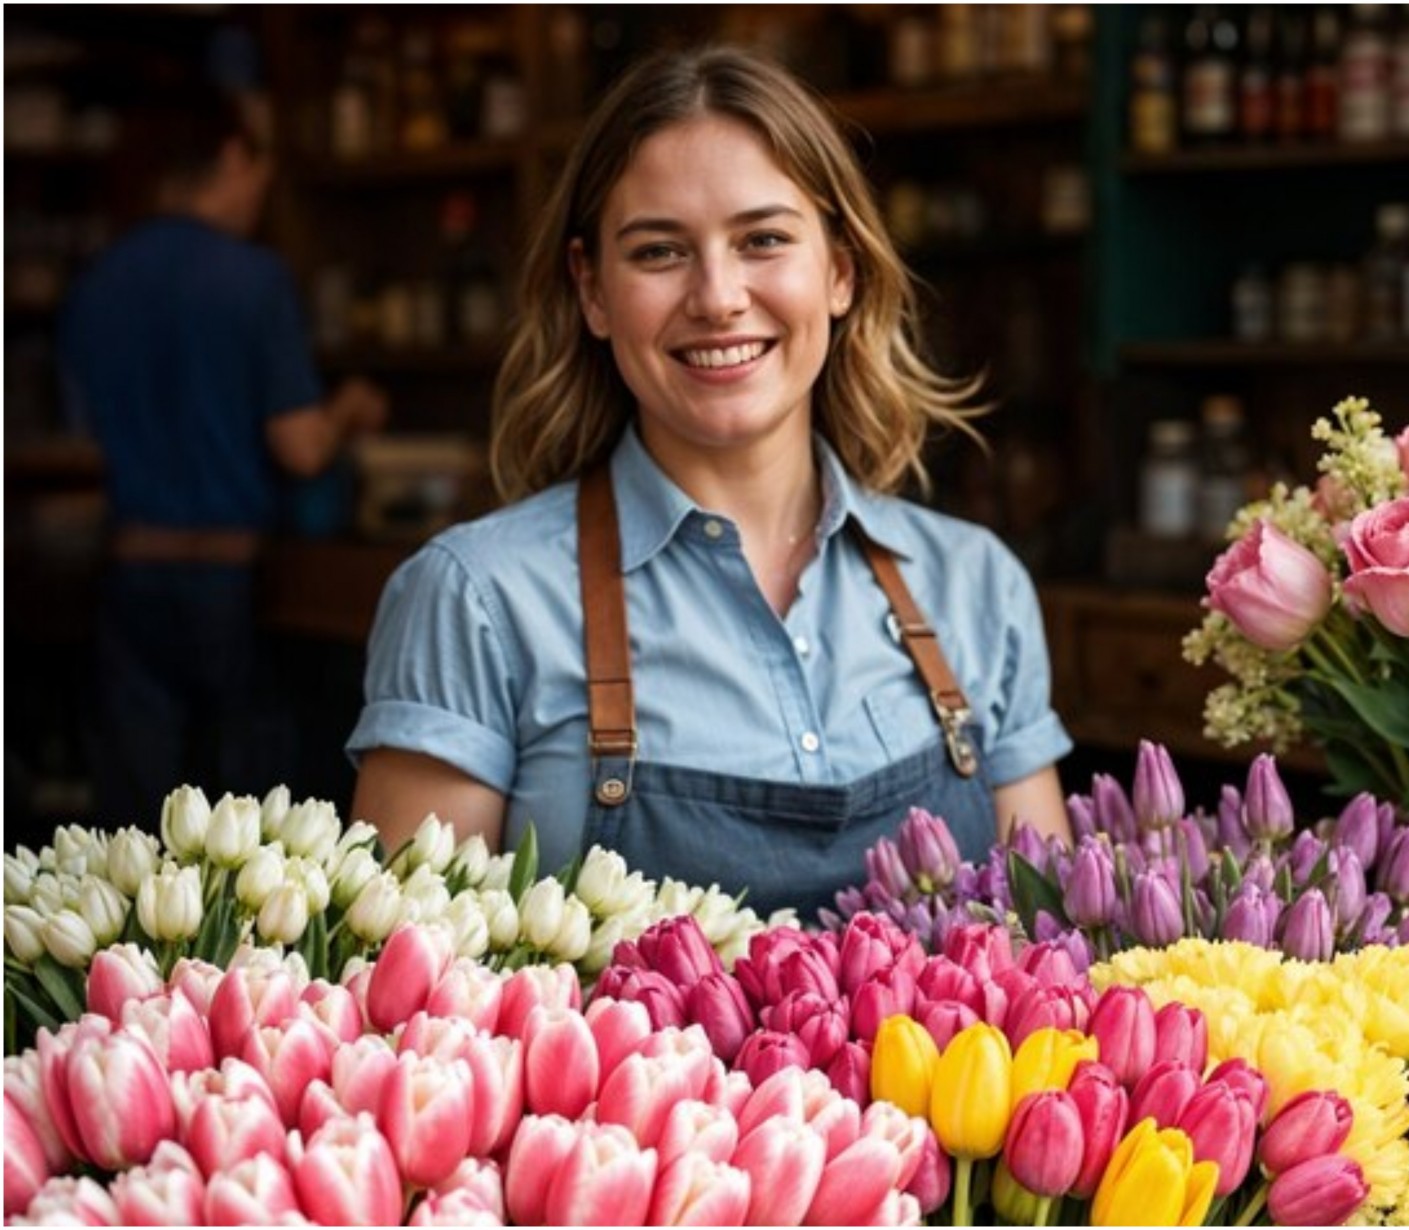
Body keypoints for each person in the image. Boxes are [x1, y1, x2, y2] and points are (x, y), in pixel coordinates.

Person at [348, 47, 1073, 916]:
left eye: (763, 239)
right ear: (593, 291)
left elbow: (1048, 954)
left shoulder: (974, 585)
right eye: (659, 252)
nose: (719, 296)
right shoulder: (475, 602)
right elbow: (416, 1010)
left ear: (839, 270)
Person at [61, 82, 388, 826]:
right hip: (230, 583)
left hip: (127, 574)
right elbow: (302, 449)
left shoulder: (97, 283)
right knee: (245, 821)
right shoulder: (252, 278)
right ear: (235, 155)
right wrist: (351, 407)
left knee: (132, 827)